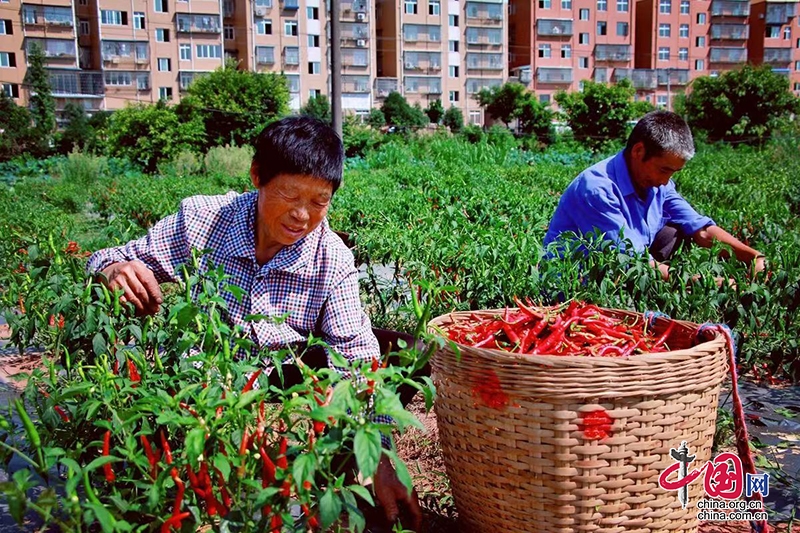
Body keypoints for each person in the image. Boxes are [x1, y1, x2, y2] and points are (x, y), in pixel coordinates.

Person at [87, 116, 422, 530]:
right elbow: (104, 257)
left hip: (280, 375)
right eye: (289, 194)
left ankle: (339, 467)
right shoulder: (202, 221)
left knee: (406, 352)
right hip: (202, 382)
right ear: (257, 176)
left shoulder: (331, 257)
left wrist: (382, 454)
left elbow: (358, 358)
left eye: (319, 201)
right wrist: (115, 268)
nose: (302, 215)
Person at [543, 110, 765, 283]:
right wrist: (700, 282)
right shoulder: (597, 189)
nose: (666, 181)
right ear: (638, 151)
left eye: (673, 172)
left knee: (675, 231)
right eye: (664, 170)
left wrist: (754, 257)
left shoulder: (658, 185)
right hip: (577, 285)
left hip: (624, 268)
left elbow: (701, 228)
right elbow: (629, 262)